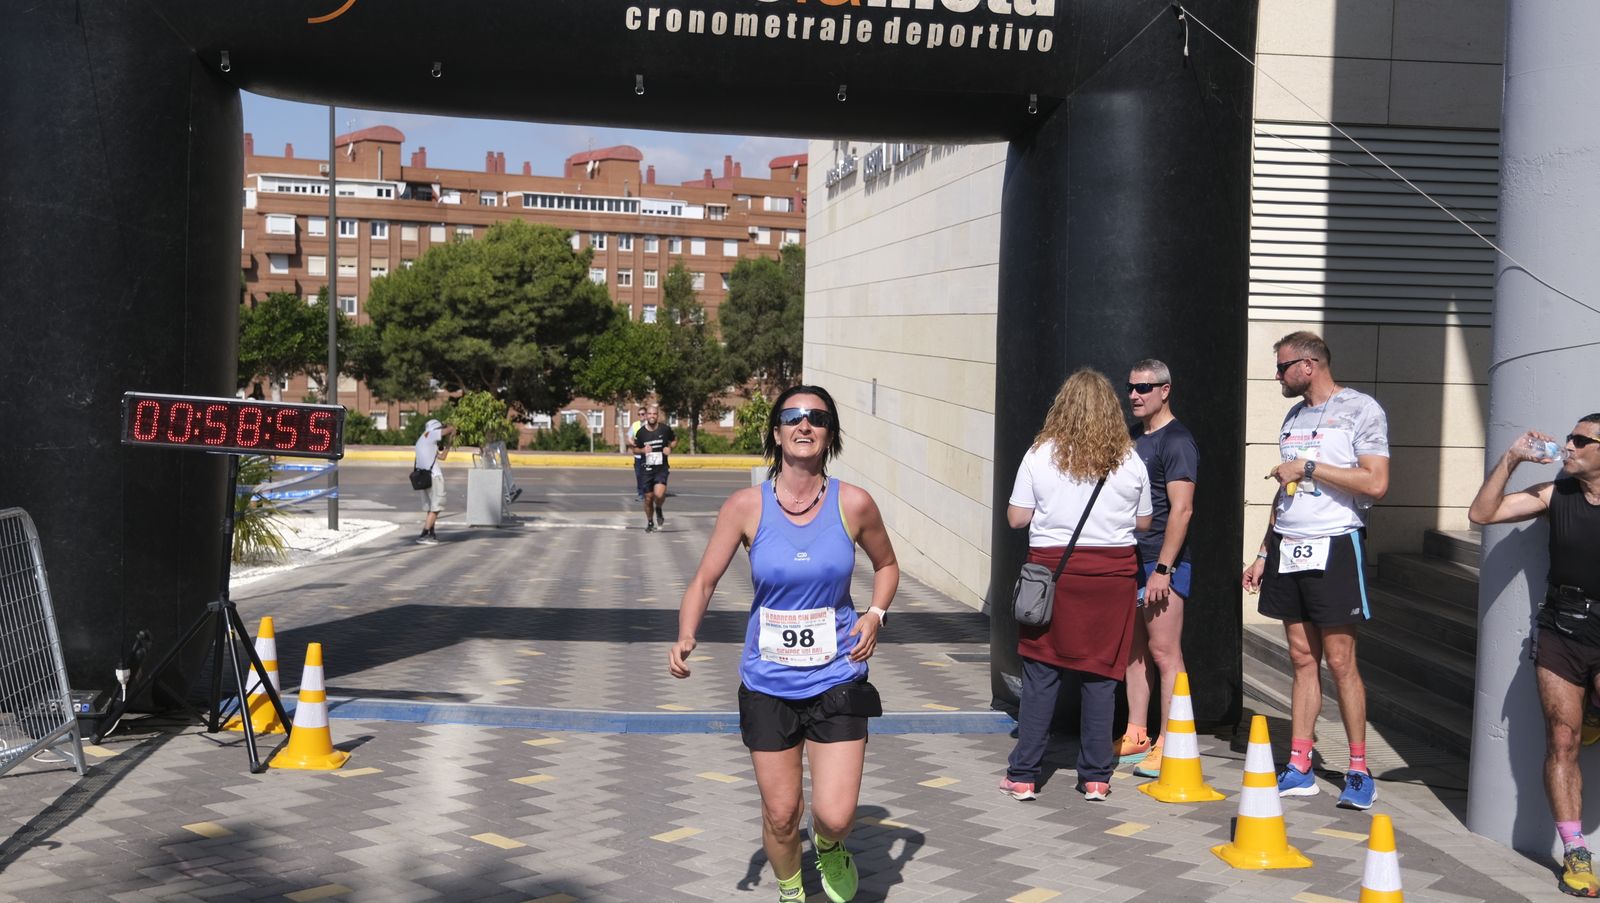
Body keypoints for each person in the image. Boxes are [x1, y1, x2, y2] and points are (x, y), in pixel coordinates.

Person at [669, 385, 899, 903]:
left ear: (829, 435)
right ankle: (791, 889)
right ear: (776, 433)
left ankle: (831, 844)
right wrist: (687, 633)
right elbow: (704, 579)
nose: (804, 425)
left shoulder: (854, 503)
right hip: (768, 682)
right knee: (780, 813)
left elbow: (887, 565)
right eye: (792, 416)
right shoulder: (745, 506)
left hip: (837, 675)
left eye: (816, 418)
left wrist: (875, 615)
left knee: (835, 815)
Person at [1241, 331, 1389, 810]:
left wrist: (1310, 468)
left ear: (1308, 365)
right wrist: (1264, 551)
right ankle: (1300, 763)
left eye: (1282, 367)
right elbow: (1284, 486)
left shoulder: (1360, 409)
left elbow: (1376, 482)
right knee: (1302, 659)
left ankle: (1359, 768)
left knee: (1341, 662)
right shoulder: (1294, 414)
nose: (1277, 376)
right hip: (1289, 545)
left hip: (1336, 544)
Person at [1001, 368, 1152, 803]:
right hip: (1112, 579)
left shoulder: (1039, 454)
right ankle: (1095, 778)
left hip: (1053, 576)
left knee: (1041, 674)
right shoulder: (1130, 459)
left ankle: (1025, 775)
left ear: (1061, 408)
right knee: (1101, 678)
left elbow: (1017, 518)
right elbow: (1144, 523)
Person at [1468, 415, 1600, 898]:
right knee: (1561, 738)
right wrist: (1510, 460)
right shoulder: (1555, 493)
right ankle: (1576, 853)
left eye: (1581, 440)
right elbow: (1482, 515)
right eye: (1570, 436)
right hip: (1562, 627)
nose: (1568, 445)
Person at [1114, 359, 1197, 780]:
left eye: (1144, 388)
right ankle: (1137, 733)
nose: (1134, 395)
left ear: (1165, 390)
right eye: (1131, 387)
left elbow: (1182, 509)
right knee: (1132, 653)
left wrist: (1162, 569)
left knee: (1165, 653)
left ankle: (1171, 741)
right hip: (1130, 558)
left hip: (1160, 562)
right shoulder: (1133, 439)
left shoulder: (1177, 441)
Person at [413, 418, 456, 544]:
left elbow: (443, 457)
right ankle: (424, 534)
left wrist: (449, 444)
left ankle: (431, 533)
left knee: (431, 508)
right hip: (434, 477)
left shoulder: (422, 440)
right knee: (436, 507)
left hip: (424, 477)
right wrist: (451, 428)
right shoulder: (430, 435)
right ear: (435, 429)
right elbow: (451, 429)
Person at [633, 405, 676, 531]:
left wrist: (670, 448)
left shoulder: (664, 429)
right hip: (646, 469)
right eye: (650, 414)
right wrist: (642, 450)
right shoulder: (641, 433)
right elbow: (634, 449)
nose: (652, 416)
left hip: (661, 468)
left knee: (659, 494)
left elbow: (674, 440)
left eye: (655, 414)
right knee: (648, 498)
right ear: (646, 416)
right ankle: (650, 522)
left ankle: (658, 508)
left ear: (658, 415)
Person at [629, 404, 649, 500]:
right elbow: (629, 436)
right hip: (637, 454)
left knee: (647, 474)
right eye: (639, 414)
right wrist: (632, 443)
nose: (641, 416)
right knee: (638, 474)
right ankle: (641, 493)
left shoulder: (650, 424)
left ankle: (647, 493)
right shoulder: (635, 425)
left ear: (646, 415)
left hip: (648, 455)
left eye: (642, 414)